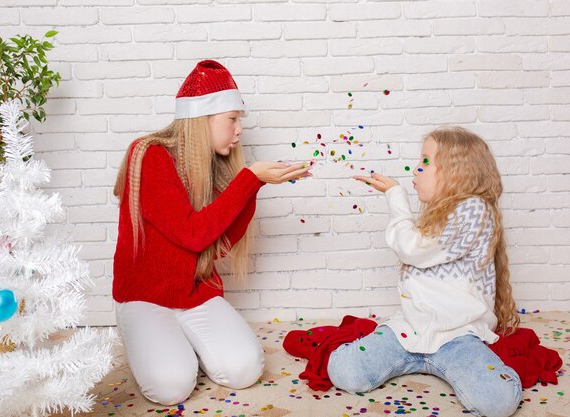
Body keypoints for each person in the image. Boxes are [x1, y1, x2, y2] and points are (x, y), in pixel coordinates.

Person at [112, 60, 310, 405]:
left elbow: (219, 245)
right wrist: (250, 179)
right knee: (170, 388)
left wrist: (253, 186)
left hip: (195, 294)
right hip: (145, 297)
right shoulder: (149, 155)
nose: (239, 131)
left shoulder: (212, 167)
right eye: (232, 119)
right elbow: (193, 235)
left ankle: (180, 345)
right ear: (204, 118)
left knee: (244, 370)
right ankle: (162, 344)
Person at [328, 127, 522, 417]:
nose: (416, 169)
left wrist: (395, 195)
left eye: (426, 161)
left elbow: (411, 248)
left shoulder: (474, 209)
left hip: (456, 336)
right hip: (408, 330)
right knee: (345, 371)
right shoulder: (439, 215)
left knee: (497, 402)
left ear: (457, 171)